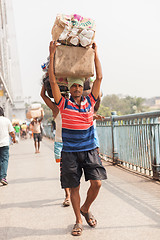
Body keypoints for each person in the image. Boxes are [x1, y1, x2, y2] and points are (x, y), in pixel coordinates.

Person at [48, 41, 107, 236]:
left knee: (97, 183)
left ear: (83, 88)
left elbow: (99, 77)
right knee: (74, 187)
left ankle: (85, 207)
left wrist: (96, 54)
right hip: (70, 152)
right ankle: (78, 220)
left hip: (90, 149)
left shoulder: (91, 101)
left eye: (79, 86)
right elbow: (53, 81)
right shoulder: (63, 104)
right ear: (69, 89)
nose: (76, 88)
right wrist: (52, 54)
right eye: (73, 86)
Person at [41, 83, 71, 207]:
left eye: (66, 96)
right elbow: (43, 95)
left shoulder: (74, 107)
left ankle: (71, 194)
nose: (65, 98)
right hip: (60, 143)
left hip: (73, 142)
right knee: (64, 171)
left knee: (72, 171)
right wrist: (45, 81)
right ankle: (68, 195)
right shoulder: (56, 109)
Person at [0, 107, 16, 185]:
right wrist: (14, 139)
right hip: (4, 144)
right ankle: (3, 177)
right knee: (4, 160)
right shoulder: (6, 120)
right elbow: (12, 132)